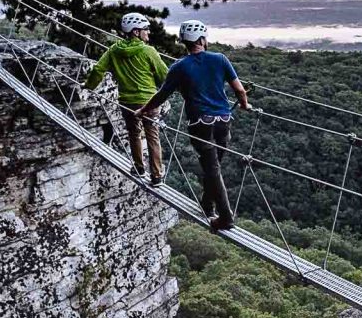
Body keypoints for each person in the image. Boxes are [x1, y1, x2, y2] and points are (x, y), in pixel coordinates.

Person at [141, 19, 252, 232]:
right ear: (202, 39)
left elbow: (162, 95)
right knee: (214, 167)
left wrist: (142, 110)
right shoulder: (220, 59)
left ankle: (225, 217)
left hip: (200, 124)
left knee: (212, 169)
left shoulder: (179, 67)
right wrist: (245, 105)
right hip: (223, 121)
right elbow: (239, 90)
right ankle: (209, 206)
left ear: (185, 42)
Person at [85, 12, 170, 185]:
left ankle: (139, 167)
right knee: (153, 136)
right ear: (136, 32)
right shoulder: (149, 51)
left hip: (127, 102)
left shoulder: (114, 50)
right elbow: (165, 76)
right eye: (145, 29)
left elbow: (98, 70)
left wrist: (88, 87)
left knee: (134, 133)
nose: (148, 32)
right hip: (149, 101)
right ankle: (156, 176)